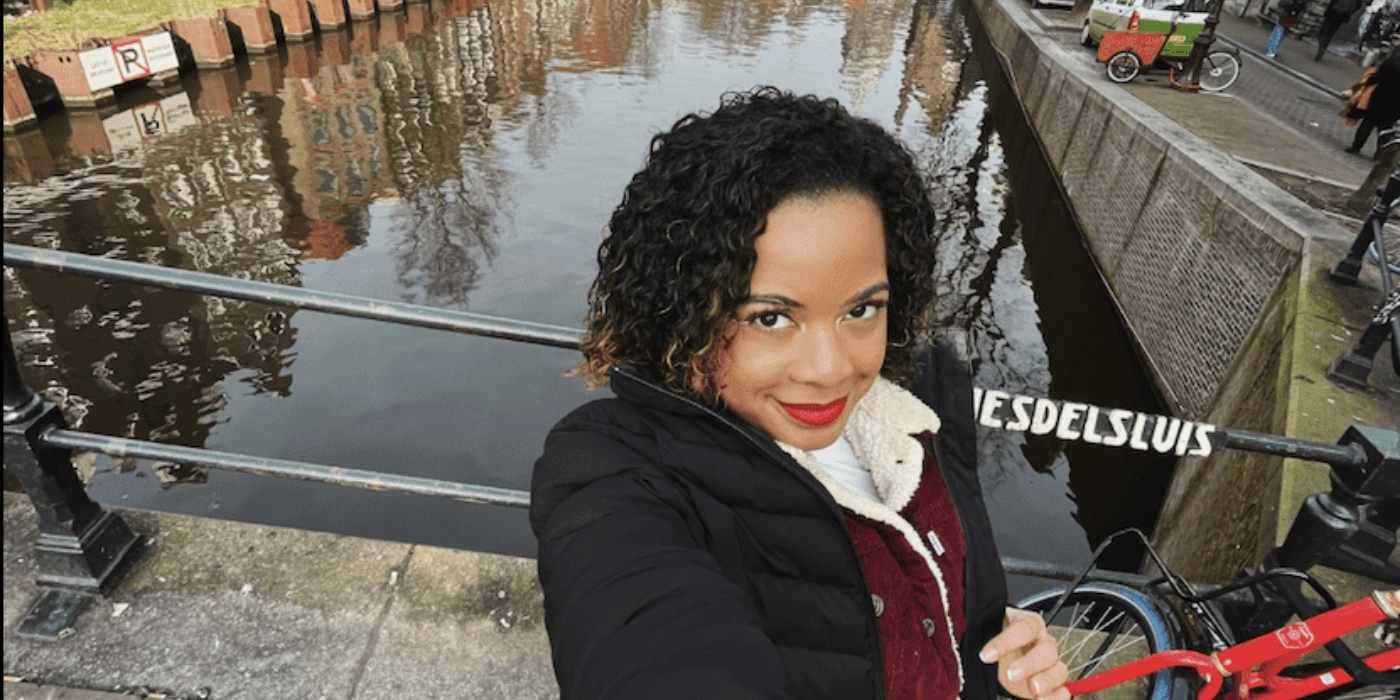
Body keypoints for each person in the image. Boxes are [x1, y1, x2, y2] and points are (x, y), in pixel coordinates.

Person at [530, 87, 1070, 700]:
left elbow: (968, 613)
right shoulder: (609, 468)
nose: (830, 369)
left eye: (863, 309)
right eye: (769, 318)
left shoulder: (920, 401)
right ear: (680, 310)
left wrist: (998, 675)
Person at [1346, 49, 1400, 156]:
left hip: (1379, 97)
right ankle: (1379, 154)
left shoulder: (1391, 62)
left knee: (1368, 122)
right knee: (1386, 129)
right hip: (1397, 103)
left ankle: (1356, 147)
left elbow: (1377, 77)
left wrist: (1367, 83)